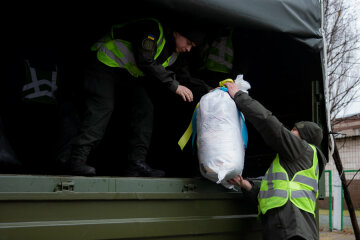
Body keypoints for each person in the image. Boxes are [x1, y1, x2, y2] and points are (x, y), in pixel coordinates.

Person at [68, 18, 210, 177]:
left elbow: (185, 78)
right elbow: (145, 60)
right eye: (189, 42)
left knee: (145, 108)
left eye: (193, 46)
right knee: (103, 106)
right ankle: (77, 159)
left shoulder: (176, 53)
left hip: (127, 74)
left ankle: (136, 163)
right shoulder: (153, 29)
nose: (189, 49)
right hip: (104, 62)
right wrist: (173, 85)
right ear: (177, 33)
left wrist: (210, 90)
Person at [225, 81, 328, 240]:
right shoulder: (296, 162)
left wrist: (239, 96)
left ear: (304, 138)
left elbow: (268, 122)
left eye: (294, 130)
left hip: (291, 227)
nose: (289, 132)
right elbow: (274, 194)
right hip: (293, 227)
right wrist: (247, 186)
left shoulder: (302, 149)